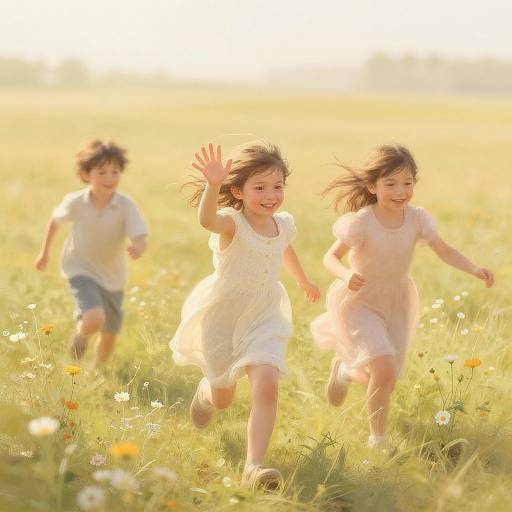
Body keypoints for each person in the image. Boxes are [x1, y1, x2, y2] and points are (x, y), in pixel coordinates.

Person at [310, 143, 494, 448]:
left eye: (407, 183)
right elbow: (330, 257)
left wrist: (474, 269)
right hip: (359, 302)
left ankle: (345, 370)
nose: (401, 191)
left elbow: (445, 250)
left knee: (386, 378)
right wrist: (345, 274)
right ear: (373, 186)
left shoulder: (417, 219)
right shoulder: (362, 222)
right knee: (382, 368)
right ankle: (377, 441)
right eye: (391, 183)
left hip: (396, 303)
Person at [170, 141, 320, 487]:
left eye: (278, 186)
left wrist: (303, 279)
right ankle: (207, 390)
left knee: (266, 383)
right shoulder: (232, 224)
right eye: (260, 187)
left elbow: (285, 250)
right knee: (223, 397)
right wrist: (212, 184)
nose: (271, 195)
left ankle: (254, 467)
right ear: (237, 191)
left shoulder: (282, 224)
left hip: (265, 313)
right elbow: (207, 220)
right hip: (224, 316)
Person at [35, 139, 148, 366]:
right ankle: (82, 333)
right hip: (80, 267)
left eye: (115, 172)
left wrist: (137, 246)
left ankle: (98, 371)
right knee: (94, 319)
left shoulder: (125, 205)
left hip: (113, 276)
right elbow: (55, 221)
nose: (109, 178)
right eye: (102, 172)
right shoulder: (76, 202)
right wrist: (44, 252)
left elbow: (140, 235)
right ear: (86, 174)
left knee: (110, 331)